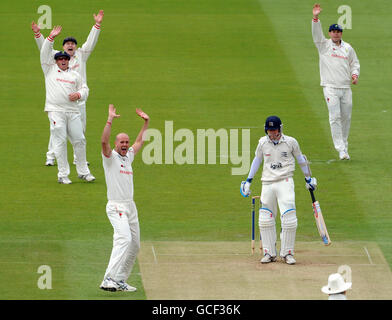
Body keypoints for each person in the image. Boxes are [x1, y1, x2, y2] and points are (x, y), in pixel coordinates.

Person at [240, 116, 317, 265]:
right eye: (269, 130)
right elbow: (257, 160)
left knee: (289, 218)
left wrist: (308, 178)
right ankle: (269, 253)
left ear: (280, 129)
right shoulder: (262, 143)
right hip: (267, 183)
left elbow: (301, 159)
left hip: (285, 181)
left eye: (274, 130)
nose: (272, 133)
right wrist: (248, 180)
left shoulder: (291, 142)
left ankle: (287, 253)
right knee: (265, 219)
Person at [32, 9, 104, 166]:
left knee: (80, 132)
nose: (70, 45)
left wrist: (97, 25)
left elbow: (91, 42)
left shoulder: (81, 55)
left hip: (79, 102)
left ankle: (78, 159)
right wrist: (39, 35)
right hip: (60, 103)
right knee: (57, 130)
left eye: (73, 44)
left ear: (76, 47)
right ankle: (51, 157)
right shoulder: (57, 57)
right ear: (63, 47)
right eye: (67, 44)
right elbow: (44, 50)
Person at [99, 104, 150, 292]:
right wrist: (109, 119)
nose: (125, 145)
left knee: (135, 244)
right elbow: (103, 142)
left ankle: (120, 279)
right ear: (116, 143)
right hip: (116, 206)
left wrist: (146, 123)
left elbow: (139, 142)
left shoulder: (128, 156)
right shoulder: (110, 157)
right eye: (122, 142)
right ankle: (108, 278)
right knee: (124, 239)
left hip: (130, 206)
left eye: (126, 142)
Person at [40, 25, 94, 184]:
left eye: (65, 59)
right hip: (56, 111)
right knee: (60, 140)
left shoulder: (75, 75)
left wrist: (79, 94)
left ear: (69, 61)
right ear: (55, 61)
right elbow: (44, 53)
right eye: (60, 59)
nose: (63, 61)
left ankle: (83, 172)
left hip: (73, 111)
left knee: (79, 139)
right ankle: (63, 174)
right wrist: (50, 38)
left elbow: (85, 88)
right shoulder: (49, 70)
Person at [312, 3, 360, 160]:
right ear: (330, 33)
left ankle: (344, 146)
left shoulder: (347, 48)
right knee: (335, 116)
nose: (335, 34)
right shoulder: (324, 45)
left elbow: (355, 63)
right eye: (333, 31)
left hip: (346, 87)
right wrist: (316, 18)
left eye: (338, 31)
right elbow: (316, 35)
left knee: (346, 117)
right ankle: (340, 149)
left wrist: (355, 75)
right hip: (330, 87)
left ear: (341, 33)